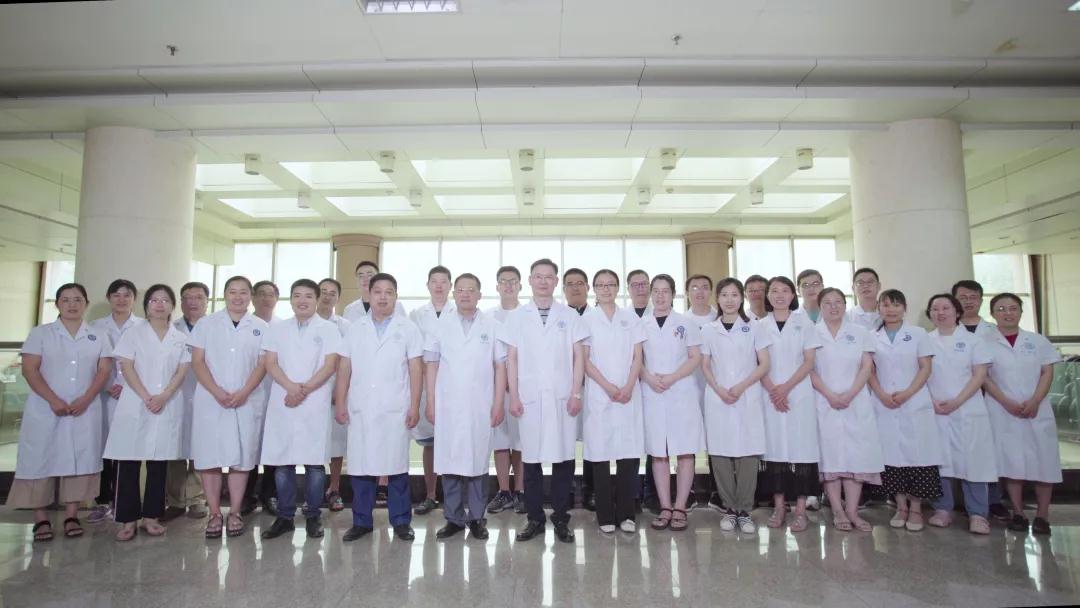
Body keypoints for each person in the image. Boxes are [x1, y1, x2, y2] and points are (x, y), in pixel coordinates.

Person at [8, 283, 112, 542]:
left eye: (77, 299)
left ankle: (71, 515)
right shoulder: (41, 333)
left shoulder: (97, 335)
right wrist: (53, 400)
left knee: (79, 459)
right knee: (40, 459)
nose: (72, 304)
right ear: (57, 304)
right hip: (45, 407)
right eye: (65, 300)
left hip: (84, 408)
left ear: (86, 303)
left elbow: (103, 371)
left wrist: (86, 399)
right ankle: (41, 518)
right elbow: (30, 369)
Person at [497, 258, 589, 543]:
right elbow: (512, 358)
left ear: (555, 281)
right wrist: (514, 395)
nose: (543, 281)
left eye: (549, 277)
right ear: (530, 280)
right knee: (531, 460)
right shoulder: (517, 317)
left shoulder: (569, 315)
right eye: (538, 276)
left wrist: (576, 393)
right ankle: (535, 518)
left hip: (563, 397)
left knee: (564, 460)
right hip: (529, 397)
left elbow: (579, 357)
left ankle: (561, 518)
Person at [335, 273, 423, 542]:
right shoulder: (355, 328)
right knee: (361, 467)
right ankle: (361, 521)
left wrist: (415, 405)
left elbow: (415, 369)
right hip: (361, 406)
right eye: (378, 292)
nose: (383, 297)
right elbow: (345, 367)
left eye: (389, 292)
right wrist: (340, 401)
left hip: (395, 407)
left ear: (396, 296)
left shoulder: (408, 328)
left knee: (396, 466)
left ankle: (401, 522)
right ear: (369, 295)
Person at [104, 284, 189, 541]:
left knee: (158, 463)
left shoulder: (180, 338)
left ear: (172, 306)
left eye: (165, 300)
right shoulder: (133, 333)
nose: (160, 304)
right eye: (154, 300)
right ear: (147, 306)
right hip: (135, 402)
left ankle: (152, 517)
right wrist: (146, 396)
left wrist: (163, 396)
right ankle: (127, 520)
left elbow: (182, 371)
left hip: (166, 402)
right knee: (128, 462)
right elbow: (126, 367)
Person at [425, 273, 506, 541]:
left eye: (471, 290)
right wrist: (431, 402)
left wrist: (498, 403)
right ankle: (454, 518)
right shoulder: (440, 325)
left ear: (479, 295)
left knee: (477, 462)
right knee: (449, 462)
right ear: (454, 293)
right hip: (447, 405)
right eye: (460, 289)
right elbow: (431, 365)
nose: (465, 294)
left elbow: (500, 367)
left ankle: (477, 518)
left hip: (480, 406)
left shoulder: (492, 325)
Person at [260, 279, 342, 540]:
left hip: (314, 401)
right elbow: (270, 363)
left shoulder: (329, 329)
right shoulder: (277, 329)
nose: (302, 300)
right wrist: (291, 388)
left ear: (317, 300)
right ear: (291, 299)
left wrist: (302, 390)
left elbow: (330, 365)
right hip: (283, 399)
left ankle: (313, 515)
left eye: (308, 295)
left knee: (314, 464)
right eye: (297, 295)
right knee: (283, 463)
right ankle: (285, 516)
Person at [188, 275, 269, 539]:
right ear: (224, 295)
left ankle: (235, 511)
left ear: (251, 296)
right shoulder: (206, 324)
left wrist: (244, 392)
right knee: (209, 457)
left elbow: (263, 364)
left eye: (243, 292)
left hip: (247, 399)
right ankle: (214, 513)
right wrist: (217, 391)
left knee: (242, 458)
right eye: (232, 292)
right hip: (211, 400)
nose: (238, 297)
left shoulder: (260, 327)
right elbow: (197, 362)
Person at [982, 293, 1061, 535]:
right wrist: (1005, 402)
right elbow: (984, 377)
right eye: (1001, 309)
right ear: (992, 314)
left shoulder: (1037, 341)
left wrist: (1035, 400)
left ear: (1021, 312)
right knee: (1012, 462)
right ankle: (1018, 513)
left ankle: (1043, 516)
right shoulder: (985, 342)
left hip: (1037, 408)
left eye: (1013, 308)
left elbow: (1047, 372)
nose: (1008, 313)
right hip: (1002, 409)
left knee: (1044, 462)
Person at [700, 278, 771, 535]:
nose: (729, 300)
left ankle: (744, 510)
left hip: (747, 394)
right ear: (717, 299)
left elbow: (764, 364)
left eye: (734, 295)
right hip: (718, 396)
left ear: (741, 298)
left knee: (747, 453)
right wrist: (719, 389)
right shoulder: (709, 329)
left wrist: (741, 387)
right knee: (720, 453)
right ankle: (729, 508)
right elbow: (705, 365)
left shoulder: (755, 327)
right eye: (724, 295)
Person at [867, 289, 942, 532]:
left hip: (914, 401)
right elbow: (869, 370)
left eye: (896, 305)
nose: (891, 310)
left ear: (904, 308)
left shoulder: (918, 334)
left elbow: (925, 367)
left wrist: (908, 393)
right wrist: (881, 394)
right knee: (891, 456)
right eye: (886, 305)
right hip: (884, 402)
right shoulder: (871, 336)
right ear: (878, 308)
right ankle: (900, 506)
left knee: (918, 455)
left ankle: (916, 508)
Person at [810, 288, 883, 532]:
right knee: (830, 457)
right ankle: (837, 510)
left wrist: (850, 394)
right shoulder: (812, 333)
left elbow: (866, 367)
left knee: (856, 457)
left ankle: (852, 511)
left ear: (845, 304)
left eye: (838, 302)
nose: (833, 307)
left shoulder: (860, 333)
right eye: (828, 303)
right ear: (820, 306)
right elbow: (809, 369)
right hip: (824, 400)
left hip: (856, 400)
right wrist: (831, 395)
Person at [924, 293, 997, 535]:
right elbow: (920, 374)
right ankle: (942, 509)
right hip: (935, 409)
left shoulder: (973, 341)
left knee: (974, 462)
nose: (940, 312)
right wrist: (932, 401)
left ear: (957, 312)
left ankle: (978, 514)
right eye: (935, 309)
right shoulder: (925, 341)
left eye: (945, 308)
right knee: (940, 460)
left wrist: (957, 401)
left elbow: (980, 375)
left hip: (968, 408)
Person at [581, 269, 646, 534]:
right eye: (600, 285)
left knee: (628, 455)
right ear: (594, 289)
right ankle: (605, 515)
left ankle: (626, 514)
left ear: (618, 288)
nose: (606, 289)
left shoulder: (630, 318)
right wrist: (608, 387)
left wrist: (628, 385)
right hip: (600, 393)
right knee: (600, 455)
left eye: (610, 284)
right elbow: (585, 360)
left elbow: (638, 356)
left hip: (629, 393)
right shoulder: (587, 320)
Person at [758, 276, 822, 532]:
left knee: (801, 450)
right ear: (768, 296)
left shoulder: (804, 323)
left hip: (798, 393)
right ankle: (779, 507)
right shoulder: (759, 325)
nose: (780, 295)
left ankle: (800, 511)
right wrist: (774, 390)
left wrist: (784, 388)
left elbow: (809, 361)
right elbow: (757, 362)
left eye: (785, 290)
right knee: (775, 452)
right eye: (774, 290)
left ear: (793, 295)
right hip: (770, 393)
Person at [641, 274, 704, 532]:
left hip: (681, 391)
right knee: (659, 451)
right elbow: (636, 360)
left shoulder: (686, 323)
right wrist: (649, 378)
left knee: (685, 450)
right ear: (650, 294)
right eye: (656, 291)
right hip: (652, 392)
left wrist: (672, 377)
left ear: (673, 294)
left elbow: (695, 357)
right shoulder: (640, 324)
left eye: (665, 291)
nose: (660, 296)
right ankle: (665, 506)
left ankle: (680, 507)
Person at [87, 279, 143, 525]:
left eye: (127, 295)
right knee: (103, 450)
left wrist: (128, 386)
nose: (122, 299)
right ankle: (103, 501)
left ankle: (125, 502)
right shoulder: (95, 327)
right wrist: (107, 385)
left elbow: (146, 363)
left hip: (133, 395)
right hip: (104, 394)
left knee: (129, 450)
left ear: (134, 299)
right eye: (116, 295)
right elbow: (91, 363)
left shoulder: (143, 327)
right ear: (109, 298)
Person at [409, 265, 455, 516]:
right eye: (434, 281)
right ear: (427, 285)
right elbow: (415, 353)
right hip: (426, 384)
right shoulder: (417, 315)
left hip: (453, 385)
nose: (439, 286)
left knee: (453, 442)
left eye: (443, 281)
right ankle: (430, 495)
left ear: (450, 286)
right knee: (430, 444)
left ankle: (453, 498)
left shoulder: (459, 312)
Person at [163, 281, 209, 522]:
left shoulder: (214, 327)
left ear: (207, 301)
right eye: (188, 297)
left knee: (201, 449)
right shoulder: (171, 329)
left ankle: (197, 499)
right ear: (180, 302)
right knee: (176, 449)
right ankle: (176, 500)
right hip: (177, 395)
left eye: (198, 297)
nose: (193, 302)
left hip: (207, 395)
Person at [486, 266, 526, 515]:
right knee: (500, 442)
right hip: (494, 389)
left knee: (521, 442)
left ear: (520, 285)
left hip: (522, 389)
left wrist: (515, 381)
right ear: (497, 286)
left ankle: (520, 491)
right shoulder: (487, 317)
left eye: (513, 281)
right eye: (504, 281)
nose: (508, 285)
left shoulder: (528, 315)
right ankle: (504, 491)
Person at [243, 279, 281, 515]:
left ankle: (269, 494)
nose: (266, 298)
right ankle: (246, 496)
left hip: (275, 394)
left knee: (273, 447)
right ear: (253, 298)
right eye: (262, 294)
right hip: (248, 395)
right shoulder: (244, 325)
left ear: (276, 299)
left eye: (271, 294)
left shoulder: (282, 326)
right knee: (249, 446)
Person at [317, 277, 351, 513]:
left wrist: (339, 392)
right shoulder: (306, 322)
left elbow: (348, 362)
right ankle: (313, 490)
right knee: (312, 442)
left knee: (336, 444)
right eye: (323, 291)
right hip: (308, 392)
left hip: (335, 391)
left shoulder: (345, 326)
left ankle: (334, 488)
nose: (327, 296)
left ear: (338, 298)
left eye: (332, 293)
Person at [684, 274, 718, 511]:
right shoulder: (681, 321)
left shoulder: (720, 318)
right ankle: (690, 491)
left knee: (717, 439)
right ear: (687, 293)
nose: (699, 291)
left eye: (705, 287)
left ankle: (718, 491)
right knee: (688, 439)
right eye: (694, 287)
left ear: (711, 292)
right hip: (688, 387)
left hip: (717, 387)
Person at [563, 267, 595, 511]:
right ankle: (566, 490)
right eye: (570, 284)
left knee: (593, 440)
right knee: (565, 440)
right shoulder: (558, 317)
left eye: (580, 283)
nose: (575, 288)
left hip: (594, 387)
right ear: (563, 289)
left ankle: (591, 489)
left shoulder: (597, 317)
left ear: (587, 288)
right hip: (565, 388)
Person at [626, 269, 657, 510]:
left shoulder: (659, 314)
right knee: (633, 440)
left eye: (644, 284)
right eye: (635, 284)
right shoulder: (623, 317)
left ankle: (652, 493)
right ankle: (633, 493)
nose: (640, 288)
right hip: (631, 387)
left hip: (657, 387)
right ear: (628, 289)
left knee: (656, 443)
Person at [343, 260, 407, 322]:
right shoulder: (349, 310)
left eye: (370, 275)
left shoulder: (396, 305)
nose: (365, 279)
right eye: (361, 276)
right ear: (357, 282)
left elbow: (405, 327)